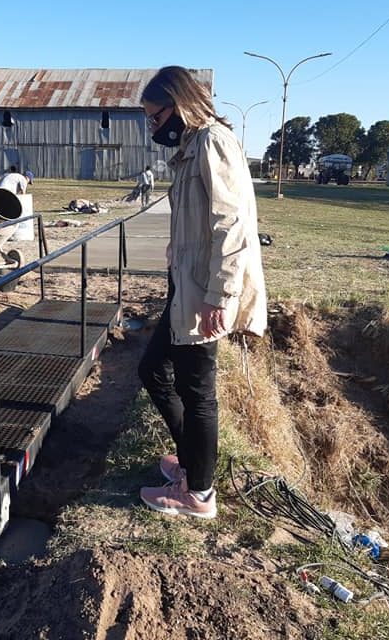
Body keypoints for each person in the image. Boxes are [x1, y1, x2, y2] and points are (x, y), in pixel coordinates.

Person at [136, 66, 267, 519]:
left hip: (207, 288)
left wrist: (222, 294)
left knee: (198, 390)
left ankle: (199, 494)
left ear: (179, 104)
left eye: (156, 118)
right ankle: (192, 463)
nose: (154, 127)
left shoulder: (212, 142)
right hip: (188, 281)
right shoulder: (191, 147)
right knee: (154, 369)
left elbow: (230, 224)